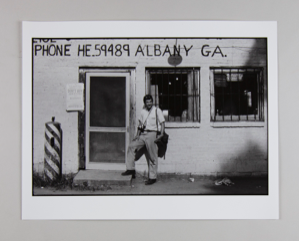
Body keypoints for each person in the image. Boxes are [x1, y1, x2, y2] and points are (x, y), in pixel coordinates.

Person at [121, 94, 165, 185]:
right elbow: (140, 124)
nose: (149, 103)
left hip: (152, 134)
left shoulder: (157, 110)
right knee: (131, 146)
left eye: (150, 102)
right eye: (147, 102)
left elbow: (162, 123)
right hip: (143, 134)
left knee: (152, 156)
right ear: (145, 103)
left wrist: (161, 134)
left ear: (152, 102)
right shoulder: (143, 112)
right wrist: (137, 135)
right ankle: (130, 169)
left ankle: (152, 177)